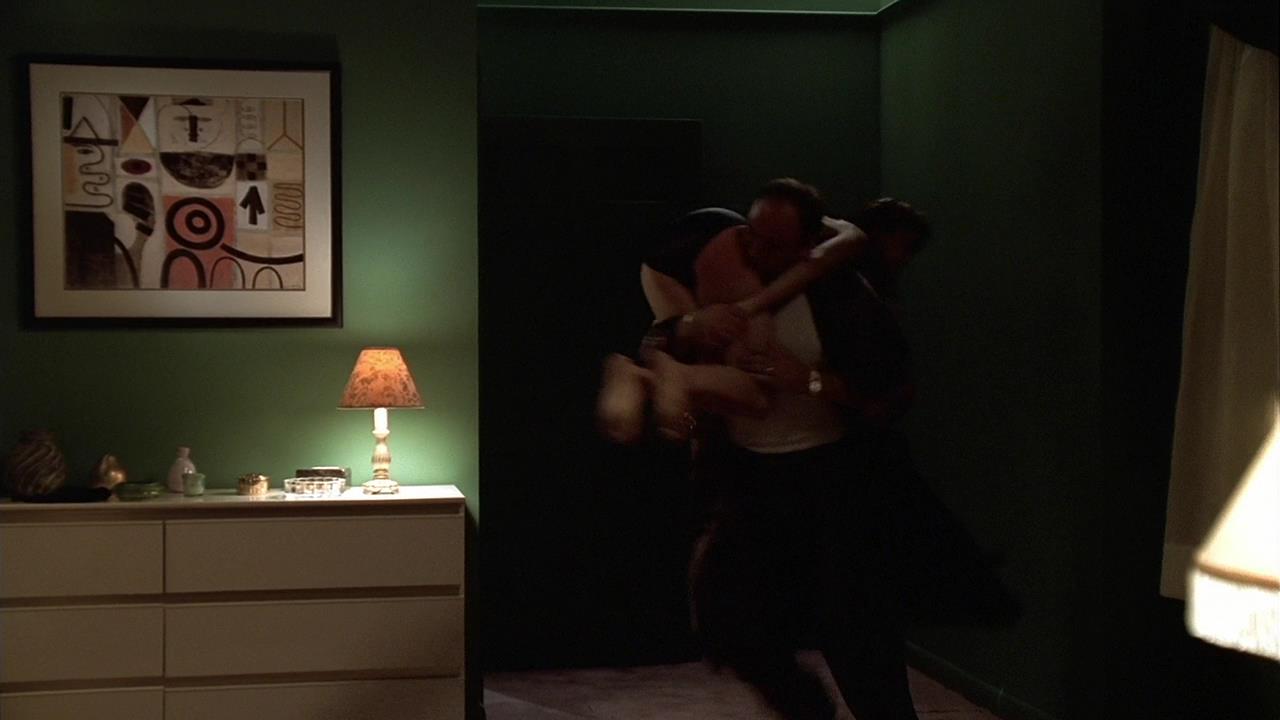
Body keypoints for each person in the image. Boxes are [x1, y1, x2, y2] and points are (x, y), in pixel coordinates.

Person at [639, 180, 928, 720]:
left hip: (830, 476)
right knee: (727, 620)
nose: (754, 250)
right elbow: (656, 339)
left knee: (856, 633)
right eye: (751, 234)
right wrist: (690, 325)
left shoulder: (841, 295)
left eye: (773, 245)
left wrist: (809, 381)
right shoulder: (719, 267)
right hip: (751, 476)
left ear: (808, 247)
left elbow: (889, 396)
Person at [596, 208, 867, 444]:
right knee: (757, 393)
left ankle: (641, 375)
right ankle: (669, 373)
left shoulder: (787, 228)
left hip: (661, 264)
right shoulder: (795, 236)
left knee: (707, 373)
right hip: (710, 241)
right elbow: (848, 241)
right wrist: (750, 307)